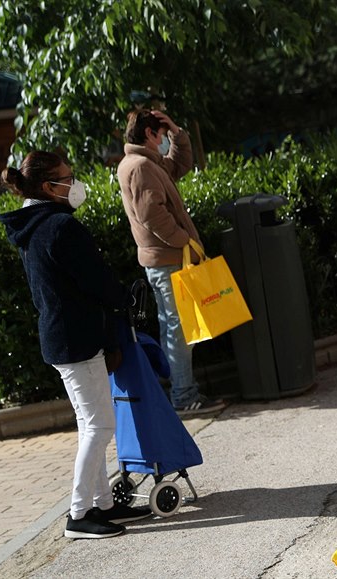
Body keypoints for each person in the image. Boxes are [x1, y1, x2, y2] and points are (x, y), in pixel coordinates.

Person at [0, 152, 153, 539]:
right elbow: (95, 280)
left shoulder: (32, 226)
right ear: (49, 187)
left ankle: (102, 503)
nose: (75, 184)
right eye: (68, 178)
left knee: (91, 423)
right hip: (76, 339)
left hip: (62, 336)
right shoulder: (59, 228)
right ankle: (79, 513)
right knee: (100, 425)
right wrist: (124, 299)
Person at [117, 110, 224, 416]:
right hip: (169, 260)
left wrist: (177, 131)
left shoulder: (146, 163)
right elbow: (153, 216)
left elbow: (180, 165)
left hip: (168, 260)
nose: (164, 139)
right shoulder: (139, 167)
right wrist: (184, 241)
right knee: (178, 330)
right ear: (150, 134)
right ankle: (184, 395)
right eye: (162, 134)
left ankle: (183, 392)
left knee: (176, 327)